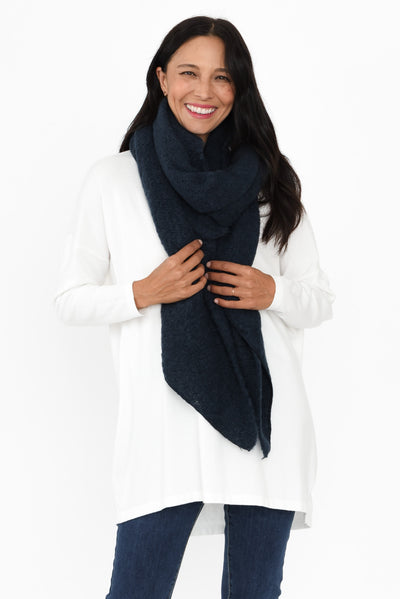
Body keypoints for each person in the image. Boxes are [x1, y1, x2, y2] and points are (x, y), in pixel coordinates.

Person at [53, 15, 335, 599]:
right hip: (165, 432)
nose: (204, 91)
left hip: (265, 431)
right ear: (161, 78)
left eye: (222, 77)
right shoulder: (115, 180)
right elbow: (69, 299)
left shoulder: (271, 183)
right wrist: (141, 292)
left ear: (239, 88)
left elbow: (318, 300)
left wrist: (274, 292)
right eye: (188, 73)